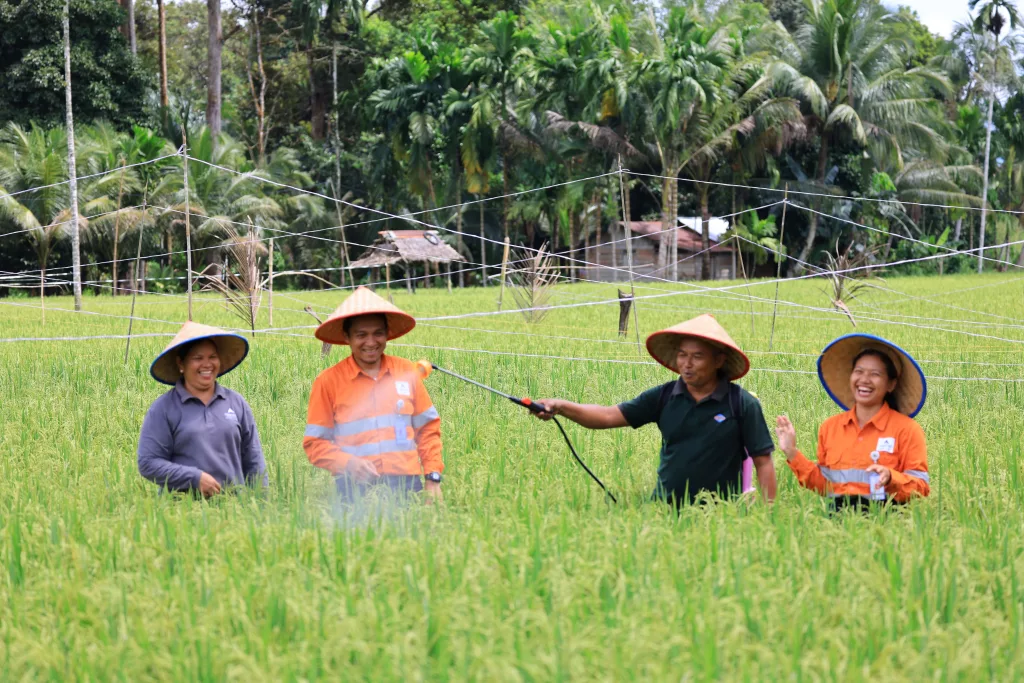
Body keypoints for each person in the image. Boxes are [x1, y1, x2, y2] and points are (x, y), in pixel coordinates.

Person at [534, 314, 777, 506]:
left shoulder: (742, 404)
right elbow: (607, 416)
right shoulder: (664, 397)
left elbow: (763, 461)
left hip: (721, 517)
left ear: (719, 360)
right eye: (682, 355)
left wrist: (768, 514)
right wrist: (561, 406)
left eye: (697, 356)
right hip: (665, 512)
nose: (687, 364)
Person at [303, 286, 444, 503]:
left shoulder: (407, 372)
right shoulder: (328, 382)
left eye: (378, 333)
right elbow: (315, 443)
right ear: (347, 337)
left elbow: (428, 430)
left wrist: (433, 478)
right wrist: (348, 463)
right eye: (361, 335)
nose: (371, 342)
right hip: (353, 490)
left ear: (387, 334)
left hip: (407, 486)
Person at [775, 333, 929, 510]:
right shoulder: (830, 428)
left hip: (887, 519)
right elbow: (824, 485)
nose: (864, 380)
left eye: (875, 374)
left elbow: (921, 487)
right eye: (859, 371)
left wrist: (891, 477)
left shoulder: (907, 429)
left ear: (891, 384)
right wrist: (791, 452)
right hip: (837, 518)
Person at [138, 321, 267, 496]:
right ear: (181, 364)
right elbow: (148, 462)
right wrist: (193, 478)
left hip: (234, 508)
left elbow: (254, 460)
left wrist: (261, 502)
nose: (207, 364)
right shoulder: (164, 408)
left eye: (212, 357)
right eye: (198, 358)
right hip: (181, 508)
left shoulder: (236, 403)